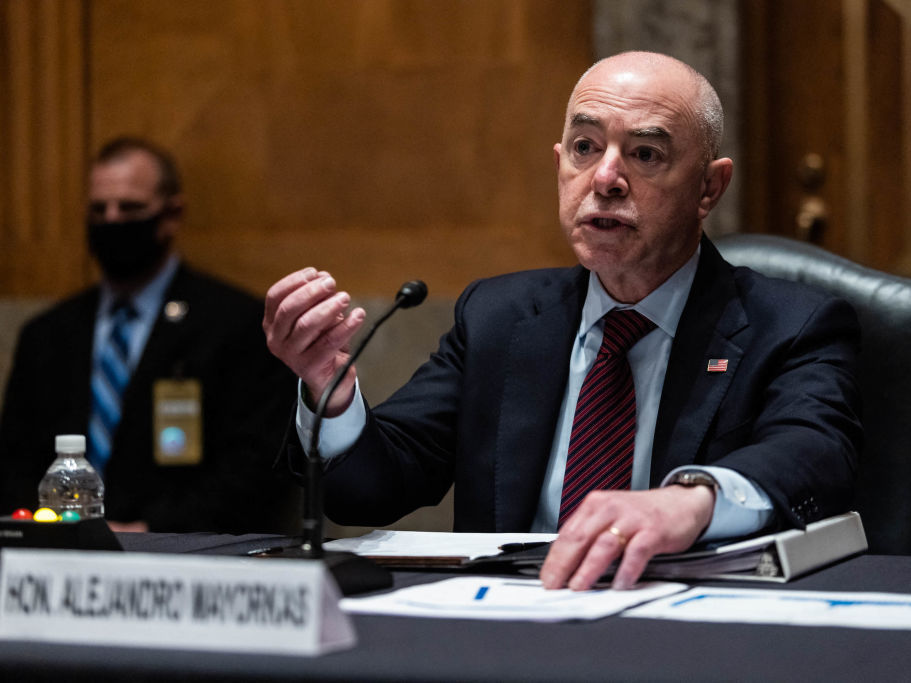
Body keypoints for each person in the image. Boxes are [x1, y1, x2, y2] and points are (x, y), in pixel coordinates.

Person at [263, 52, 862, 589]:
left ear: (709, 187)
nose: (604, 178)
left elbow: (815, 454)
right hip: (507, 622)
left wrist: (691, 500)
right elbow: (374, 490)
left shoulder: (792, 325)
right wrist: (330, 394)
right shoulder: (498, 317)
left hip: (684, 627)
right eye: (584, 148)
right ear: (560, 164)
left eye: (645, 154)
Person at [0, 137, 301, 534]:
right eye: (99, 210)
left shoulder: (237, 325)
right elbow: (14, 462)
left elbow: (257, 464)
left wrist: (148, 530)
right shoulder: (47, 334)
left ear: (171, 214)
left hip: (187, 549)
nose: (112, 221)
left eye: (130, 208)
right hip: (59, 547)